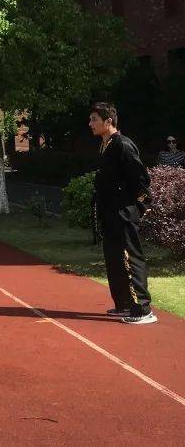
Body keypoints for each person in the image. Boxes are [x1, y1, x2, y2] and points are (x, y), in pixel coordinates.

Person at [89, 103, 156, 325]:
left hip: (124, 213)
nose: (90, 124)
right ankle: (124, 304)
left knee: (130, 257)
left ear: (108, 121)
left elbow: (141, 180)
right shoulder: (105, 145)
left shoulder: (124, 145)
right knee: (113, 259)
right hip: (109, 213)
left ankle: (142, 308)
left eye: (94, 119)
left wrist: (136, 207)